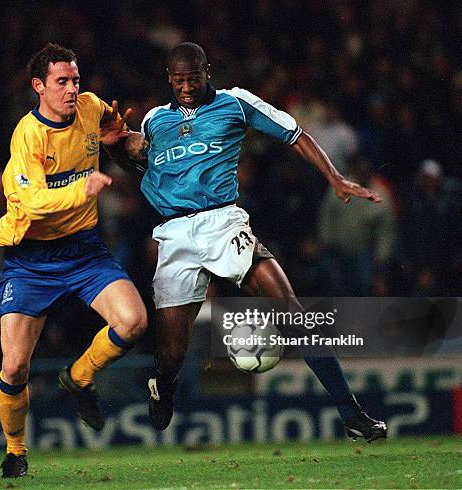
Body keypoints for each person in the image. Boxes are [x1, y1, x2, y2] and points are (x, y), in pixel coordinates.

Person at [135, 43, 387, 442]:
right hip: (174, 233)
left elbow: (296, 134)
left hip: (223, 222)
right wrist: (116, 143)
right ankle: (163, 385)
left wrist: (334, 178)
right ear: (169, 78)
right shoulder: (153, 121)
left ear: (207, 71)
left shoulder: (237, 103)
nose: (186, 87)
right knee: (171, 353)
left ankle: (351, 414)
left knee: (295, 316)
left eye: (193, 78)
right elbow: (140, 164)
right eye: (178, 80)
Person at [0, 43, 147, 478]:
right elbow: (31, 200)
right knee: (14, 366)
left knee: (133, 322)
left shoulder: (89, 107)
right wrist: (82, 188)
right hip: (31, 258)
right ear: (39, 86)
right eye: (62, 82)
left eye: (75, 80)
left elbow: (109, 130)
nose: (73, 89)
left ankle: (79, 376)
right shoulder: (28, 135)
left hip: (83, 249)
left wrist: (118, 137)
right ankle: (16, 451)